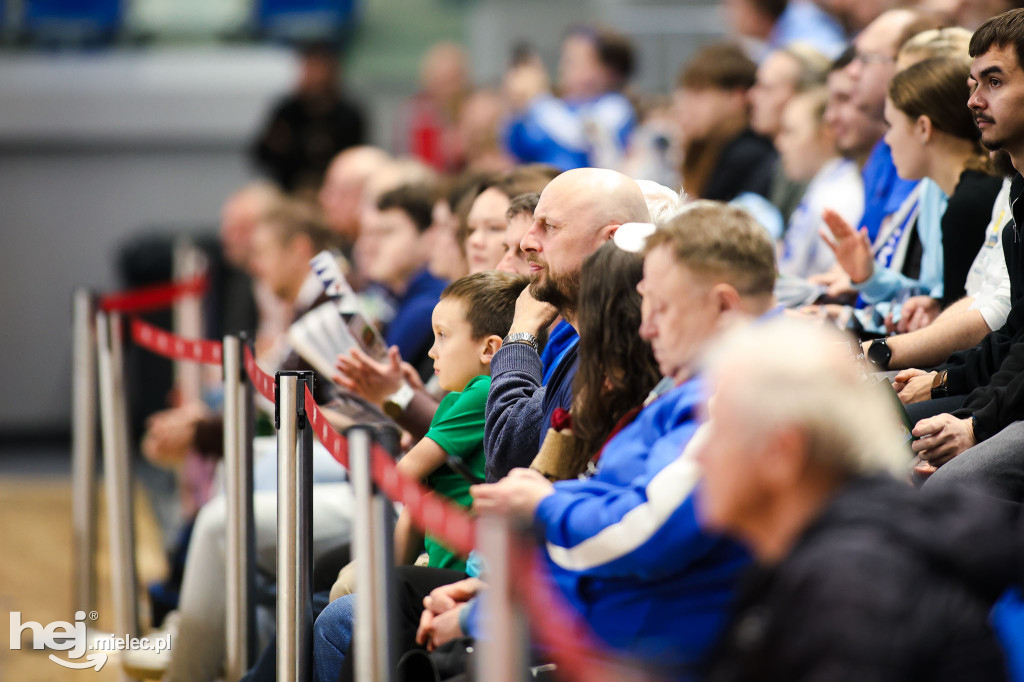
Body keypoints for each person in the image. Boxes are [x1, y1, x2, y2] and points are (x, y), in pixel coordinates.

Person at [462, 203, 779, 677]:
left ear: (724, 306)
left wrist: (543, 509)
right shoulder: (694, 388)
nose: (647, 327)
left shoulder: (730, 398)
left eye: (662, 308)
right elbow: (619, 512)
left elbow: (640, 533)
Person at [695, 318, 1015, 682]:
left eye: (719, 430)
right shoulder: (810, 555)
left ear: (781, 453)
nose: (699, 454)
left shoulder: (853, 594)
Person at [313, 271, 529, 682]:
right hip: (443, 562)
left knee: (333, 619)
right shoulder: (456, 399)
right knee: (336, 596)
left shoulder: (483, 393)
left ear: (489, 349)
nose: (432, 352)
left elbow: (401, 474)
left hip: (467, 573)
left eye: (443, 336)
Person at [893, 9, 1024, 501]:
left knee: (946, 485)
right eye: (973, 83)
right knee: (868, 419)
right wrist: (946, 382)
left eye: (994, 81)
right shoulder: (1017, 200)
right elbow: (1015, 335)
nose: (973, 100)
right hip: (1008, 394)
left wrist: (974, 426)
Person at [483, 167, 651, 481]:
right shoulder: (585, 344)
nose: (526, 243)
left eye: (550, 227)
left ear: (612, 241)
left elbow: (507, 451)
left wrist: (521, 334)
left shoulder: (626, 353)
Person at [822, 56, 1003, 325]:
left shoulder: (970, 204)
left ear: (923, 128)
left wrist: (852, 322)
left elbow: (960, 324)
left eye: (891, 126)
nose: (887, 140)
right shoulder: (932, 191)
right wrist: (869, 276)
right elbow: (935, 301)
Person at [503, 25, 636, 170]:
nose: (562, 68)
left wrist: (537, 100)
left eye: (574, 61)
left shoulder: (616, 107)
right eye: (565, 60)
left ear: (609, 71)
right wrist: (517, 109)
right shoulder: (552, 107)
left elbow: (578, 138)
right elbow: (517, 149)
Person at [358, 184, 449, 380]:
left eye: (388, 232)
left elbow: (377, 381)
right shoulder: (397, 296)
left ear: (428, 237)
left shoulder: (427, 306)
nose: (371, 245)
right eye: (370, 234)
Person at [251, 42, 366, 192]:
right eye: (307, 68)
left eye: (318, 69)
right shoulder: (287, 111)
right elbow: (261, 154)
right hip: (289, 190)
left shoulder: (349, 114)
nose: (312, 75)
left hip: (333, 191)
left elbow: (357, 161)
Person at [775, 87, 864, 279]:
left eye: (790, 132)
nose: (779, 143)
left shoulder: (840, 197)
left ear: (826, 134)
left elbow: (829, 280)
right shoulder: (826, 186)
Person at [674, 42, 777, 202]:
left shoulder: (748, 155)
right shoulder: (711, 146)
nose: (685, 106)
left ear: (737, 97)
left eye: (699, 93)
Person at [725, 0, 846, 60]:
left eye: (734, 7)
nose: (727, 15)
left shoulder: (805, 35)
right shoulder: (767, 45)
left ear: (756, 11)